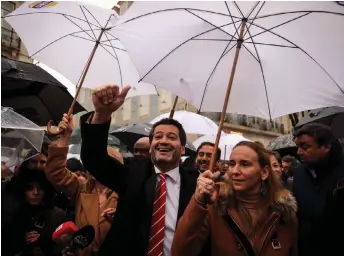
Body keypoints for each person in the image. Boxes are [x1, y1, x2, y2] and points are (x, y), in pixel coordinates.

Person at [79, 84, 198, 256]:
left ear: (182, 149)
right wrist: (102, 115)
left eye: (172, 137)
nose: (164, 141)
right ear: (151, 148)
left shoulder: (196, 185)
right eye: (158, 137)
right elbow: (94, 159)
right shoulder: (133, 173)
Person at [171, 141, 298, 256]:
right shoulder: (216, 207)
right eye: (232, 164)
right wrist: (197, 201)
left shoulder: (284, 213)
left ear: (264, 172)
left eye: (244, 164)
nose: (235, 171)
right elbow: (180, 251)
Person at [45, 115, 122, 256]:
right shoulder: (81, 187)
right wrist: (64, 137)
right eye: (96, 162)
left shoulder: (128, 192)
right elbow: (55, 172)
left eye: (108, 162)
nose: (100, 167)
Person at [292, 123, 344, 256]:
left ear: (326, 146)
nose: (298, 152)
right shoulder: (299, 174)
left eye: (305, 146)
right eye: (298, 146)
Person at [5, 167, 65, 256]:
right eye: (30, 188)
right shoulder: (12, 215)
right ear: (22, 191)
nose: (35, 192)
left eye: (40, 188)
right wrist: (21, 241)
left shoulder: (58, 215)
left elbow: (63, 248)